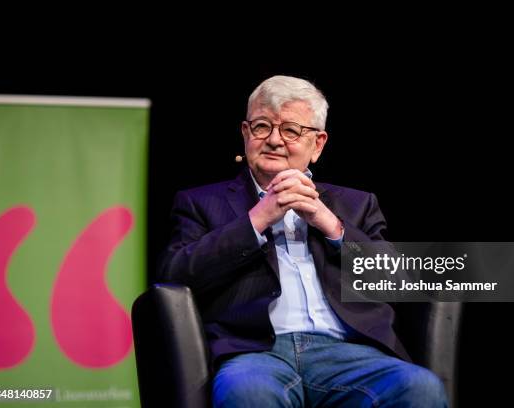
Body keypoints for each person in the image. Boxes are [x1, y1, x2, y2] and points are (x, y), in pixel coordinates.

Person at [159, 75, 448, 407]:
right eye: (262, 126)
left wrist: (331, 225)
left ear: (318, 144)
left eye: (291, 131)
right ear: (245, 133)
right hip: (257, 353)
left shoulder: (356, 205)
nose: (274, 140)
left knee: (419, 387)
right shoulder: (199, 203)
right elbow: (173, 275)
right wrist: (257, 219)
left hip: (350, 354)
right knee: (248, 393)